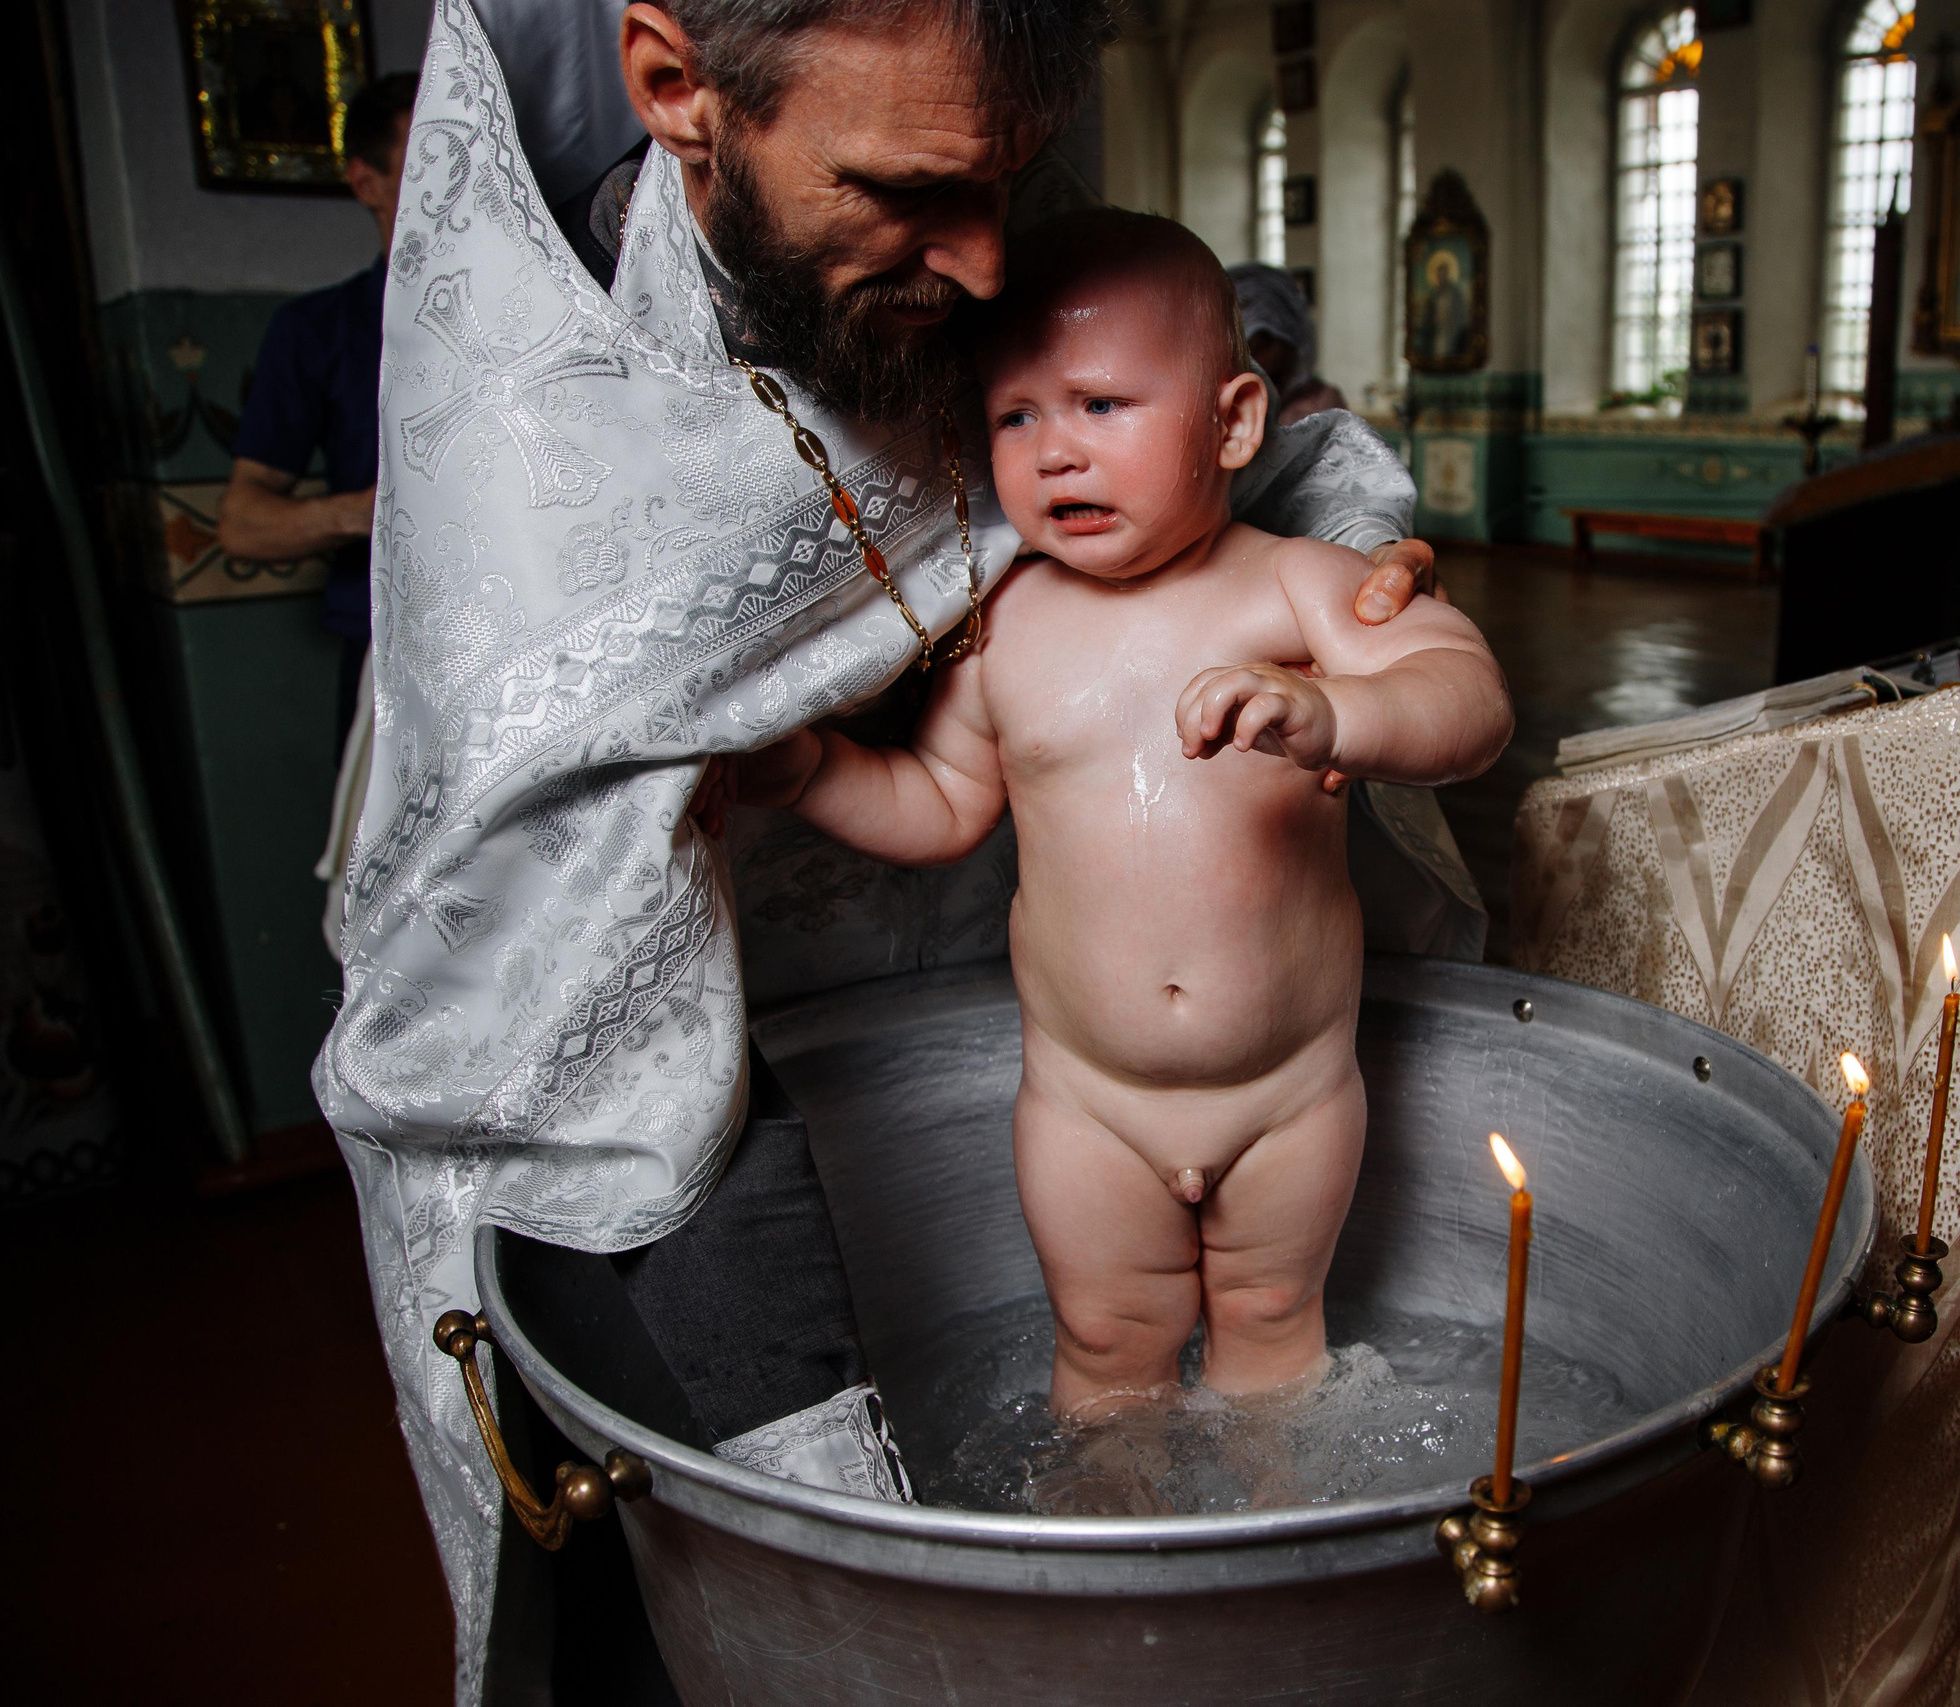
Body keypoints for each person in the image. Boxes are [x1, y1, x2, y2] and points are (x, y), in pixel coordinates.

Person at [321, 6, 1454, 1696]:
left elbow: (1255, 450)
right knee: (795, 1565)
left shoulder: (969, 196)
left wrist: (1351, 600)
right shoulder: (542, 436)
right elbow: (526, 905)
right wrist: (786, 764)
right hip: (740, 1052)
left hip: (1135, 996)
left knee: (1268, 1370)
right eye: (913, 190)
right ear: (676, 92)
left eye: (1008, 177)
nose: (988, 253)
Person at [734, 213, 1508, 1420]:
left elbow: (1467, 699)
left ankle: (1263, 1554)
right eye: (1015, 417)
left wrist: (1337, 711)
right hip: (1090, 1106)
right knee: (1105, 1351)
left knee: (1272, 1341)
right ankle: (1102, 1570)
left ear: (1233, 421)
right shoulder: (1002, 633)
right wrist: (806, 774)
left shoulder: (1294, 588)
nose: (1057, 454)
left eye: (1102, 406)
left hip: (1289, 1096)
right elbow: (941, 805)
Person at [218, 72, 413, 737]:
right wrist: (376, 510)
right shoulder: (316, 331)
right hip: (387, 660)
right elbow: (242, 524)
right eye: (429, 160)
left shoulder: (534, 317)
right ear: (367, 183)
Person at [1227, 261, 1345, 426]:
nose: (1254, 358)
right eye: (1247, 346)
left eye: (1264, 343)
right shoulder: (1227, 405)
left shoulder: (1319, 407)